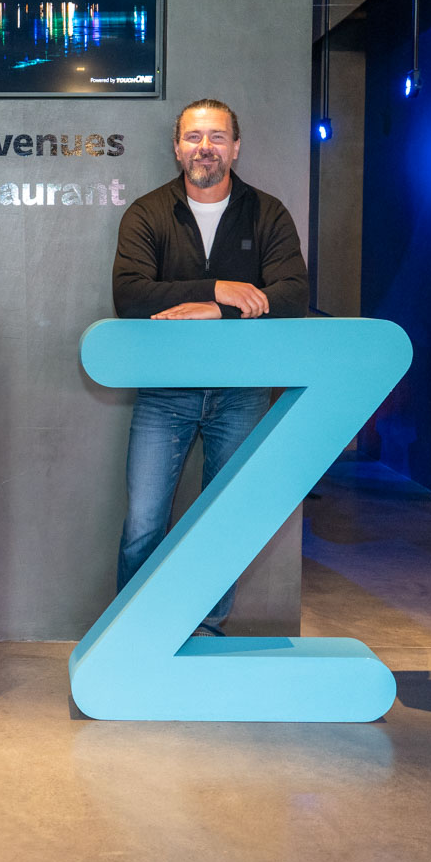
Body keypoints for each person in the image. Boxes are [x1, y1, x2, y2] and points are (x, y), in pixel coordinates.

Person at [109, 98, 310, 634]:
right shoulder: (148, 213)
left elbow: (293, 295)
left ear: (235, 148)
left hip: (242, 393)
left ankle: (206, 631)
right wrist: (218, 288)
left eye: (217, 137)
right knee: (144, 524)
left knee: (222, 521)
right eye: (194, 137)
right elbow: (130, 296)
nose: (205, 147)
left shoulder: (267, 213)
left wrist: (217, 311)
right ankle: (133, 633)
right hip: (164, 393)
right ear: (177, 148)